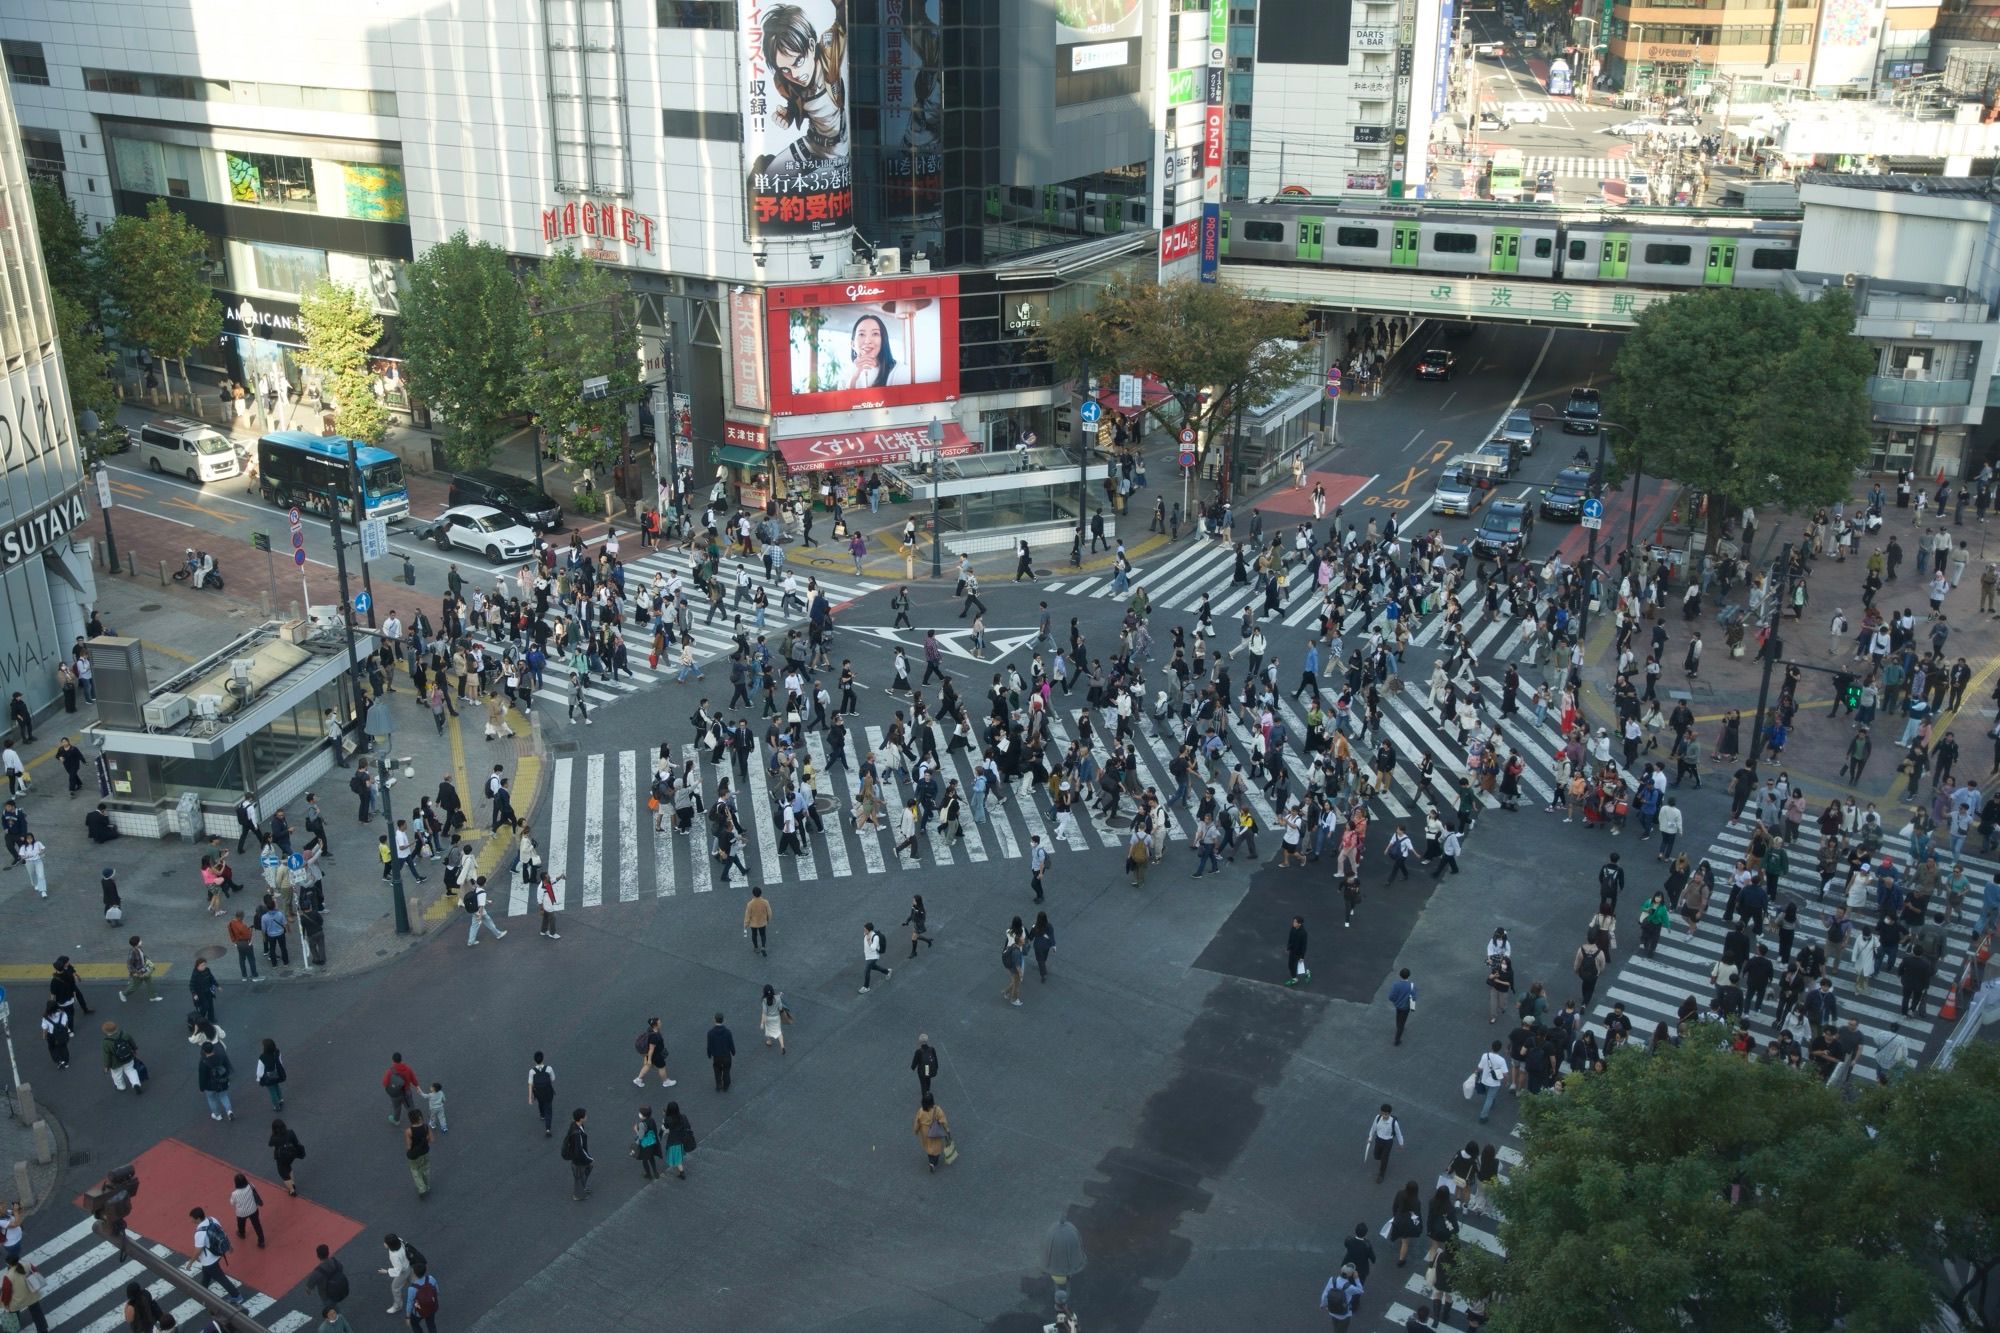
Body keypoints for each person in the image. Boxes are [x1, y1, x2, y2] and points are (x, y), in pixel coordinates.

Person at [188, 1208, 248, 1307]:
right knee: (207, 1274)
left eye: (192, 1219)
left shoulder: (199, 1233)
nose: (191, 1221)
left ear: (198, 1218)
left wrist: (190, 1262)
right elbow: (222, 1232)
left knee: (220, 1278)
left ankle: (236, 1296)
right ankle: (202, 1290)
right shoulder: (212, 1219)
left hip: (209, 1261)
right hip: (217, 1254)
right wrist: (229, 1245)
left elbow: (198, 1250)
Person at [913, 1090, 952, 1172]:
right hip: (934, 1130)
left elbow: (917, 1121)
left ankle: (930, 1161)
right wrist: (947, 1130)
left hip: (925, 1130)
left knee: (928, 1145)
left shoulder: (921, 1111)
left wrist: (916, 1130)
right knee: (936, 1146)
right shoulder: (937, 1109)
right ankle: (934, 1162)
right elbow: (943, 1120)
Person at [1365, 1104, 1404, 1183]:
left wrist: (1401, 1143)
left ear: (1389, 1114)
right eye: (1382, 1113)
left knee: (1384, 1158)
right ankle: (1381, 1158)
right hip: (1378, 1140)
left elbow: (1398, 1133)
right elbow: (1373, 1127)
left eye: (1386, 1114)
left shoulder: (1394, 1123)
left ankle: (1381, 1174)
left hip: (1388, 1142)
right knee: (1376, 1156)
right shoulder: (1378, 1117)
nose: (1384, 1116)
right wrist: (1370, 1137)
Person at [634, 1016, 676, 1088]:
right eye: (659, 1022)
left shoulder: (650, 1030)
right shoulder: (654, 1037)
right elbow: (651, 1049)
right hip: (656, 1055)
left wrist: (646, 1057)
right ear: (655, 1025)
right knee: (662, 1067)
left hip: (651, 1054)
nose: (661, 1023)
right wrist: (649, 1059)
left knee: (647, 1066)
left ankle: (638, 1079)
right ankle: (666, 1082)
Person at [561, 1107, 593, 1200]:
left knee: (583, 1172)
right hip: (578, 1158)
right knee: (581, 1174)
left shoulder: (575, 1125)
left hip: (577, 1157)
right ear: (581, 1118)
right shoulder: (577, 1133)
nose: (587, 1116)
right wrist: (589, 1159)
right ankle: (578, 1195)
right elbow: (580, 1149)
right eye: (585, 1115)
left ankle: (581, 1189)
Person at [229, 1172, 266, 1249]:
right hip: (253, 1210)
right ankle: (261, 1241)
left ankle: (242, 1234)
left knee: (241, 1224)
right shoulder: (251, 1186)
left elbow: (232, 1203)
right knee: (257, 1225)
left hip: (241, 1213)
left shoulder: (234, 1193)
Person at [661, 1100, 696, 1179]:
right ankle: (681, 1172)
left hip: (674, 1140)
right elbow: (688, 1126)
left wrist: (665, 1118)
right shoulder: (683, 1116)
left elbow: (665, 1127)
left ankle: (682, 1172)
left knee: (677, 1159)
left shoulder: (668, 1119)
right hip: (682, 1138)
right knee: (678, 1154)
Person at [270, 1119, 305, 1197]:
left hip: (281, 1158)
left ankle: (292, 1190)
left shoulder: (274, 1138)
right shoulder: (290, 1132)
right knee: (288, 1167)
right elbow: (296, 1142)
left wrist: (275, 1155)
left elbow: (273, 1148)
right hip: (291, 1155)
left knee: (283, 1174)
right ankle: (293, 1183)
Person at [633, 1105, 665, 1181]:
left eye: (640, 1113)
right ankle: (655, 1172)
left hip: (645, 1145)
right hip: (652, 1143)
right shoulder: (652, 1120)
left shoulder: (641, 1124)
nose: (639, 1114)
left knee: (644, 1160)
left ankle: (648, 1174)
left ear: (643, 1115)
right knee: (651, 1157)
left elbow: (641, 1137)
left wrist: (635, 1130)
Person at [529, 1053, 557, 1136]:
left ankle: (542, 1115)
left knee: (541, 1103)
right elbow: (553, 1079)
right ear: (543, 1059)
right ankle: (548, 1129)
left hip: (538, 1093)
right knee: (549, 1110)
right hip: (548, 1093)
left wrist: (530, 1097)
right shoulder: (549, 1068)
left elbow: (530, 1084)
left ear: (534, 1060)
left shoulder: (532, 1071)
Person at [706, 1013, 736, 1091]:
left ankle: (718, 1084)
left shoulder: (710, 1033)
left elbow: (709, 1045)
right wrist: (733, 1052)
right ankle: (726, 1085)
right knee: (726, 1070)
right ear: (723, 1020)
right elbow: (731, 1043)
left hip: (716, 1056)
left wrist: (709, 1054)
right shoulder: (727, 1032)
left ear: (714, 1020)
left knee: (717, 1070)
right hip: (726, 1055)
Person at [760, 986, 787, 1054]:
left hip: (768, 1018)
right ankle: (782, 1046)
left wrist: (762, 1023)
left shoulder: (764, 1000)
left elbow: (764, 1013)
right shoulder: (777, 998)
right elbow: (780, 1008)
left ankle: (769, 1041)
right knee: (779, 1031)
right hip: (776, 1018)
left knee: (768, 1029)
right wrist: (780, 996)